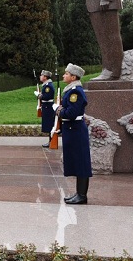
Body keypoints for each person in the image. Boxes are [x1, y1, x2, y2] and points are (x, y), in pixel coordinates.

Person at [56, 63, 92, 205]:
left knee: (81, 162)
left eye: (66, 74)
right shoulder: (70, 90)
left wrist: (59, 111)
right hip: (73, 129)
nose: (64, 75)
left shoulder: (75, 92)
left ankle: (82, 196)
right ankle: (79, 193)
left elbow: (71, 113)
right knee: (78, 162)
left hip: (75, 129)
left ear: (73, 77)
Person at [33, 70, 56, 148]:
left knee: (50, 125)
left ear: (45, 77)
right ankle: (50, 141)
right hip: (46, 107)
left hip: (48, 107)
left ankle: (51, 142)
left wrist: (39, 95)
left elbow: (47, 97)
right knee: (49, 125)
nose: (40, 76)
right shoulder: (46, 85)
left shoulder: (48, 86)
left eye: (41, 75)